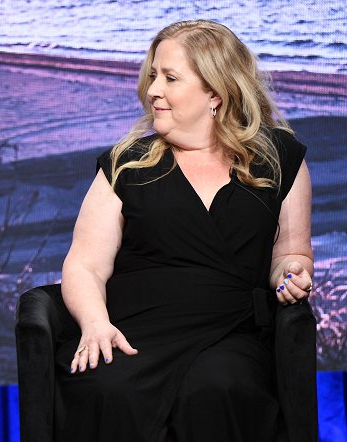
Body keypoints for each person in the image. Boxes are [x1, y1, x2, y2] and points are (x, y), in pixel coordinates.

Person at [57, 20, 313, 442]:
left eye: (170, 78)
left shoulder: (280, 157)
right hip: (134, 329)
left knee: (220, 388)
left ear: (215, 92)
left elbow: (291, 253)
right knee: (111, 389)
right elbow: (85, 264)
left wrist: (290, 275)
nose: (153, 89)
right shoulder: (125, 164)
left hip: (230, 331)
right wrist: (95, 323)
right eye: (153, 75)